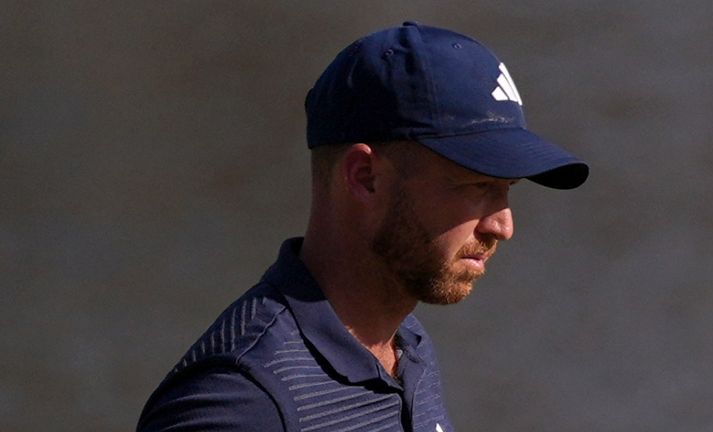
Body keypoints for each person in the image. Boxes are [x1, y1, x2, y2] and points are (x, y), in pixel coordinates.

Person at [137, 21, 588, 432]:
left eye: (508, 188)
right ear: (364, 178)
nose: (503, 225)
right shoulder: (240, 402)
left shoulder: (406, 347)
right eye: (476, 185)